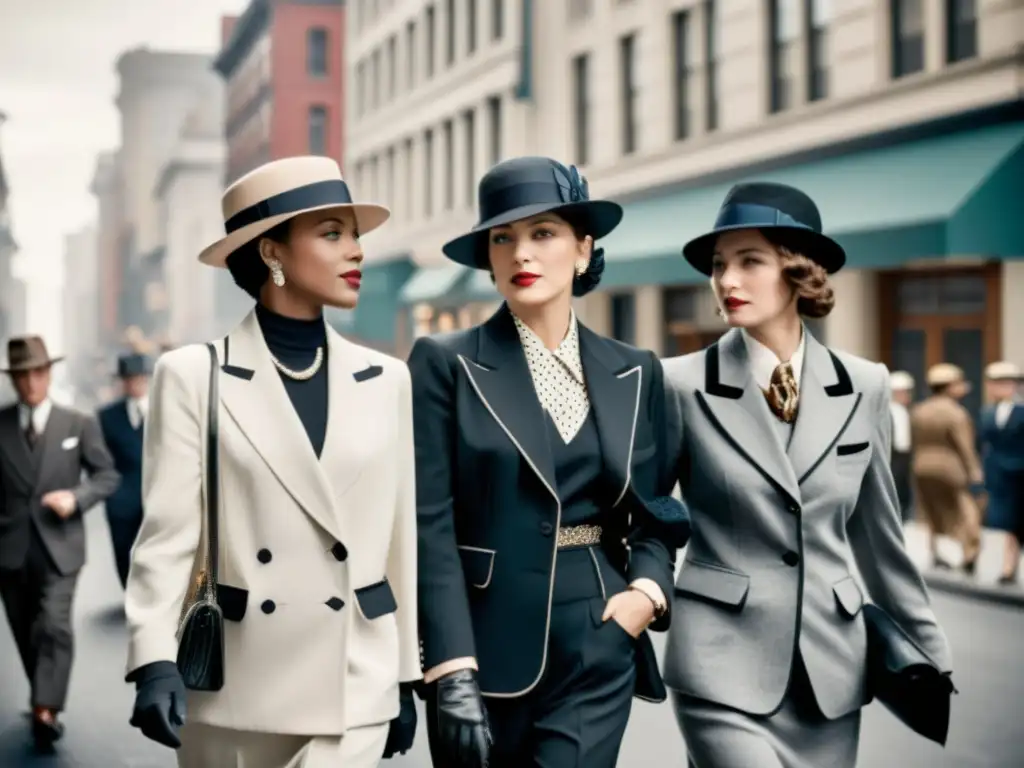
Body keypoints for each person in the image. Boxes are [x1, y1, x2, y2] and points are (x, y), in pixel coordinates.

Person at [123, 156, 420, 767]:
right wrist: (152, 656)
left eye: (355, 235)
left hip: (354, 677)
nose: (356, 251)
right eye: (332, 233)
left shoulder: (388, 379)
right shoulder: (191, 375)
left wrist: (406, 673)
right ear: (272, 253)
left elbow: (399, 540)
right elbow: (167, 536)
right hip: (237, 683)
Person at [660, 182, 952, 768]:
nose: (727, 281)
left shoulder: (865, 384)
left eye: (750, 261)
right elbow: (647, 514)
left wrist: (931, 651)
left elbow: (879, 536)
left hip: (831, 668)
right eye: (719, 265)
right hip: (718, 664)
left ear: (798, 271)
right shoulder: (678, 384)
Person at [409, 156, 682, 768]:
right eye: (502, 238)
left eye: (543, 234)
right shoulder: (443, 364)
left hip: (600, 633)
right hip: (481, 644)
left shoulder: (635, 370)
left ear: (584, 250)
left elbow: (658, 512)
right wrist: (449, 666)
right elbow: (429, 523)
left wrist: (646, 594)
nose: (520, 254)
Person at [0, 335, 120, 751]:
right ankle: (42, 694)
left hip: (60, 547)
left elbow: (107, 475)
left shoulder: (77, 424)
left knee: (52, 624)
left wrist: (77, 498)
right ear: (13, 379)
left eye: (37, 372)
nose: (31, 382)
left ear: (49, 373)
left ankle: (45, 708)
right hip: (10, 550)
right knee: (24, 631)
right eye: (21, 375)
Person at [910, 363, 984, 573]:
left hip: (922, 464)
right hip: (950, 466)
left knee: (930, 510)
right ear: (949, 386)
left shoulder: (919, 410)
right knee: (966, 508)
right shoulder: (956, 413)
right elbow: (965, 447)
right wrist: (975, 472)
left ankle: (935, 552)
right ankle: (970, 552)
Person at [97, 352, 152, 588]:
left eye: (138, 378)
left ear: (147, 378)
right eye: (129, 378)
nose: (134, 383)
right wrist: (112, 495)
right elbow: (100, 460)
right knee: (124, 554)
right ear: (122, 381)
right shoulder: (107, 416)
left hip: (159, 497)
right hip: (122, 502)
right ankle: (131, 597)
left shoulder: (166, 409)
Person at [978, 361, 1023, 585]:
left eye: (1006, 383)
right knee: (1009, 522)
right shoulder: (988, 412)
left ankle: (1009, 567)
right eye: (996, 383)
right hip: (1001, 476)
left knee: (1015, 522)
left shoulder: (1021, 412)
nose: (1001, 388)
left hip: (1020, 473)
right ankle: (1009, 567)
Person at [888, 370, 915, 522]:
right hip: (892, 457)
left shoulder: (908, 411)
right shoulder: (885, 410)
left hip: (906, 457)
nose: (907, 396)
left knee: (904, 491)